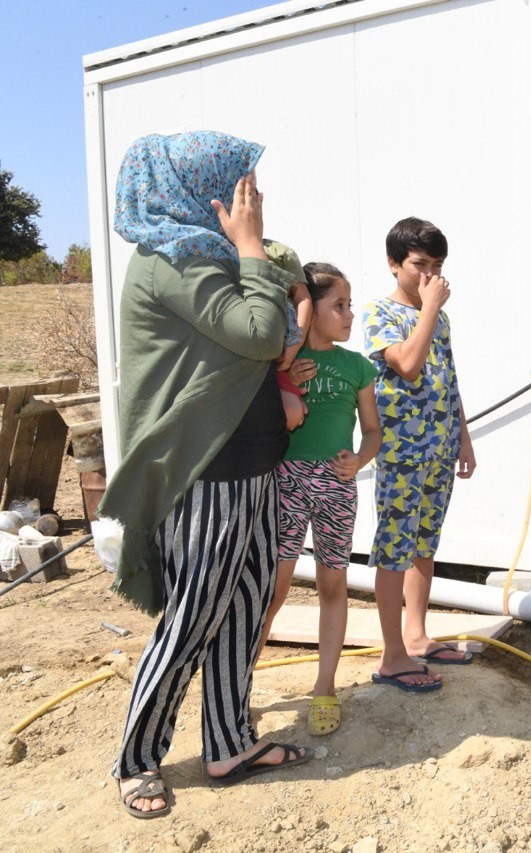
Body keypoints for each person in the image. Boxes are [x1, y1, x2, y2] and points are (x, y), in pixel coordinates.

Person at [97, 131, 312, 819]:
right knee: (193, 616)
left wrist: (255, 263)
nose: (252, 200)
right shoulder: (170, 260)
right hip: (204, 470)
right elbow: (261, 332)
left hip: (251, 462)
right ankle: (136, 758)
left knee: (243, 607)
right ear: (201, 192)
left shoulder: (206, 257)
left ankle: (227, 742)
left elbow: (280, 328)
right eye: (240, 186)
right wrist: (253, 249)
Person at [259, 262, 381, 736]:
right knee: (274, 589)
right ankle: (239, 683)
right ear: (308, 312)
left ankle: (325, 686)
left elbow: (372, 432)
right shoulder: (279, 367)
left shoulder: (358, 367)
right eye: (340, 306)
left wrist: (361, 460)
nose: (350, 315)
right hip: (287, 481)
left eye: (350, 305)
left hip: (336, 484)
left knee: (334, 586)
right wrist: (281, 382)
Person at [364, 216, 477, 693]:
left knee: (424, 546)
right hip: (402, 451)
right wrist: (429, 307)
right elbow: (408, 367)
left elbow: (446, 379)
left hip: (440, 447)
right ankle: (392, 656)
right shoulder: (378, 314)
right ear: (394, 264)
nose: (430, 275)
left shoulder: (440, 318)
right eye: (419, 265)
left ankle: (416, 636)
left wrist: (464, 437)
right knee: (394, 550)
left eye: (437, 266)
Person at [265, 239, 314, 430]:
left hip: (279, 352)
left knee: (292, 413)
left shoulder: (278, 252)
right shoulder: (214, 245)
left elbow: (302, 297)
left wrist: (295, 344)